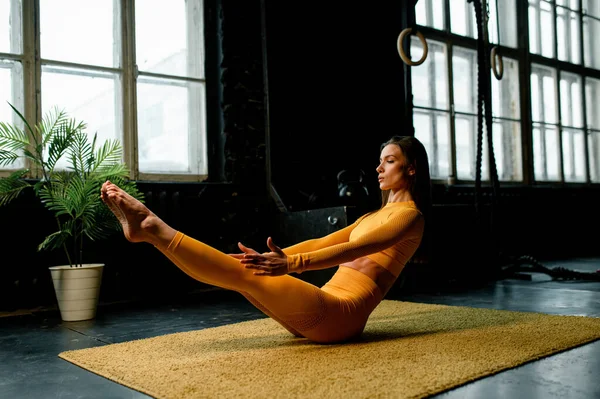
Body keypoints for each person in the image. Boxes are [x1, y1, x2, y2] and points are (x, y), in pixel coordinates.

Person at [100, 135, 431, 344]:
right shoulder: (370, 217)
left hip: (340, 317)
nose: (378, 168)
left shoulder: (410, 216)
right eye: (380, 161)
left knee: (245, 274)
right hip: (319, 312)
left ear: (412, 169)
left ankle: (152, 227)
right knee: (242, 266)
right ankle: (151, 235)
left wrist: (290, 264)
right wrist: (275, 257)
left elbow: (358, 248)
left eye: (389, 161)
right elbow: (323, 242)